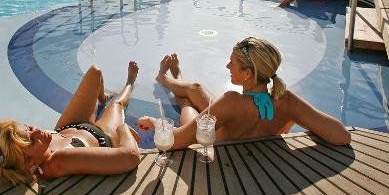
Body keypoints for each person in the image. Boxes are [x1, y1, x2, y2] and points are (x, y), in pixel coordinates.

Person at [137, 39, 351, 148]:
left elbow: (177, 141)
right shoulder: (286, 100)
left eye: (233, 62)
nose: (227, 65)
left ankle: (167, 78)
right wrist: (283, 127)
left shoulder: (231, 102)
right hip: (237, 120)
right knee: (196, 88)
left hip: (216, 143)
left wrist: (155, 122)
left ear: (248, 74)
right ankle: (172, 77)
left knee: (186, 102)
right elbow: (342, 135)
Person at [0, 62, 141, 185]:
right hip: (102, 134)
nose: (38, 130)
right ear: (27, 163)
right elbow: (130, 156)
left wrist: (9, 127)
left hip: (68, 127)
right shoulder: (58, 162)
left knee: (95, 72)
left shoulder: (3, 149)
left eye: (30, 128)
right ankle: (130, 82)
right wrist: (123, 129)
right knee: (118, 104)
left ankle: (101, 98)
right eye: (32, 140)